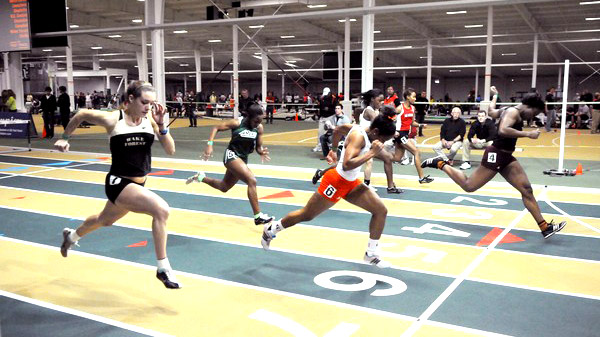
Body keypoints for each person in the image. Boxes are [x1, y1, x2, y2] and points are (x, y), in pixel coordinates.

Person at [55, 81, 181, 288]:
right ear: (130, 99)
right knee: (161, 210)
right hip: (118, 182)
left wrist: (162, 126)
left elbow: (170, 150)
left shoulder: (150, 119)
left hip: (138, 185)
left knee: (104, 220)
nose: (148, 107)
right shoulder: (113, 119)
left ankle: (71, 236)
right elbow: (81, 115)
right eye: (144, 102)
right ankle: (163, 268)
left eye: (151, 103)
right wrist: (65, 137)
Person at [421, 87, 566, 239]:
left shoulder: (507, 110)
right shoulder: (512, 112)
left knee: (527, 190)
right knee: (469, 186)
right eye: (535, 113)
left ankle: (545, 227)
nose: (533, 117)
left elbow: (490, 111)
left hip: (506, 158)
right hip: (496, 154)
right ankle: (441, 163)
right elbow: (503, 130)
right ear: (529, 107)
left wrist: (495, 95)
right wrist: (528, 134)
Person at [261, 114, 398, 268]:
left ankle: (371, 254)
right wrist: (371, 153)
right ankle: (272, 228)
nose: (382, 143)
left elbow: (338, 129)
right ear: (376, 131)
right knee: (307, 215)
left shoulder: (358, 129)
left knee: (380, 211)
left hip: (351, 183)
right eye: (384, 139)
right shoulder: (358, 137)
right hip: (336, 182)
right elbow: (346, 164)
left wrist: (332, 150)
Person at [186, 103, 274, 226]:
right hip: (231, 156)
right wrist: (210, 144)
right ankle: (258, 216)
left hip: (242, 159)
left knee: (224, 187)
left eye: (260, 121)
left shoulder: (259, 128)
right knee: (252, 180)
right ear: (249, 117)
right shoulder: (237, 123)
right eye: (255, 121)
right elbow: (216, 127)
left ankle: (200, 177)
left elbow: (258, 147)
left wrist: (261, 152)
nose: (257, 124)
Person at [392, 88, 433, 184]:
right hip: (399, 134)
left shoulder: (412, 108)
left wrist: (420, 125)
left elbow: (412, 122)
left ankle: (377, 154)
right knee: (416, 152)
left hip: (406, 134)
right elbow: (389, 119)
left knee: (397, 158)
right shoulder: (399, 108)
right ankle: (421, 178)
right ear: (407, 97)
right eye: (413, 96)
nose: (415, 98)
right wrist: (393, 131)